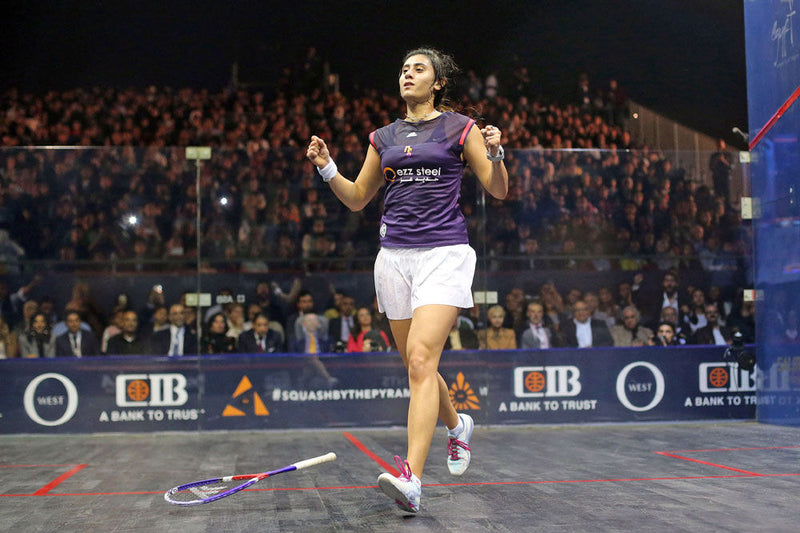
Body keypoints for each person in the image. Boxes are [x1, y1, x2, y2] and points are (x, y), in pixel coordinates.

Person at [306, 47, 508, 513]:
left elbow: (497, 189)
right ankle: (458, 426)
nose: (408, 75)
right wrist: (327, 167)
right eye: (403, 69)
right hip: (394, 259)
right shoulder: (384, 137)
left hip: (444, 254)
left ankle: (411, 479)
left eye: (418, 69)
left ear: (438, 83)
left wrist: (497, 155)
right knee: (419, 367)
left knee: (420, 359)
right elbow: (358, 197)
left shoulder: (461, 128)